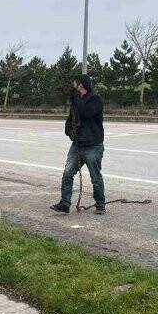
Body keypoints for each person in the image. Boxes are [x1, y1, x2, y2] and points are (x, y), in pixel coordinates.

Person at [51, 75, 106, 215]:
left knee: (95, 177)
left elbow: (86, 113)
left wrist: (75, 99)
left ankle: (100, 204)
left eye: (76, 83)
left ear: (81, 85)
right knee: (67, 173)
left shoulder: (95, 99)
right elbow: (70, 120)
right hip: (77, 145)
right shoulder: (76, 101)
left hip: (93, 146)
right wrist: (69, 132)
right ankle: (65, 203)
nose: (74, 86)